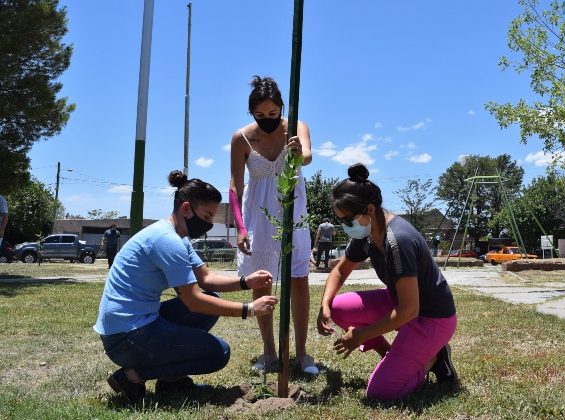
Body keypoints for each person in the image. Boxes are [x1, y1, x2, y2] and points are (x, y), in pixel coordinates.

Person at [93, 170, 278, 404]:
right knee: (218, 353)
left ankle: (171, 381)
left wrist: (246, 282)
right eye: (207, 216)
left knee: (212, 294)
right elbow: (193, 301)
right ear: (187, 209)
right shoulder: (167, 241)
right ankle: (132, 376)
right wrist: (249, 309)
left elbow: (207, 279)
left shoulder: (176, 236)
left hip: (133, 327)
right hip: (126, 337)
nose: (209, 224)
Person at [316, 163, 459, 400]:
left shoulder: (398, 241)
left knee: (381, 392)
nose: (345, 225)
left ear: (369, 210)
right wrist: (325, 304)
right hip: (402, 305)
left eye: (347, 220)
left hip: (432, 318)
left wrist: (361, 336)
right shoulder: (369, 232)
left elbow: (410, 310)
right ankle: (391, 356)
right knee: (339, 307)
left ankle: (434, 358)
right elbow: (340, 271)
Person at [229, 75, 317, 375]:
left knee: (298, 280)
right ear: (251, 112)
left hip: (292, 211)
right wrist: (240, 227)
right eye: (260, 115)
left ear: (281, 108)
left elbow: (306, 156)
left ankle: (303, 354)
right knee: (261, 280)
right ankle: (269, 352)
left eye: (273, 114)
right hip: (258, 216)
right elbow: (235, 187)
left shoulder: (297, 127)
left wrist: (297, 153)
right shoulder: (241, 138)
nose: (267, 119)